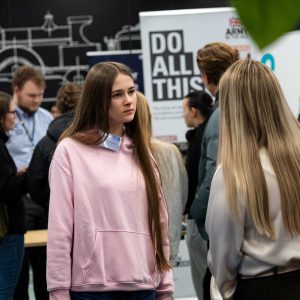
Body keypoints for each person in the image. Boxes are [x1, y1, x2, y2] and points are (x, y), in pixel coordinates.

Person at [47, 62, 174, 300]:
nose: (128, 100)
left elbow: (160, 224)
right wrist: (58, 291)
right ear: (99, 100)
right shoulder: (70, 151)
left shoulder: (142, 153)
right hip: (91, 290)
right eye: (117, 94)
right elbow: (60, 228)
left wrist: (165, 286)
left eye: (131, 91)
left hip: (142, 286)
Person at [206, 58, 300, 300]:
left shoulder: (232, 173)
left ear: (232, 108)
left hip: (260, 287)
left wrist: (225, 291)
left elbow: (222, 256)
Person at [189, 42, 240, 300]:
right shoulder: (239, 108)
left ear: (207, 77)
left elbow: (213, 174)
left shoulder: (221, 115)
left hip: (220, 224)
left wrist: (196, 214)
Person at [6, 65, 52, 300]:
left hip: (44, 199)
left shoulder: (47, 118)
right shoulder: (6, 118)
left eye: (40, 95)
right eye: (31, 95)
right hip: (17, 200)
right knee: (19, 268)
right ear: (17, 90)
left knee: (46, 265)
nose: (37, 100)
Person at [136, 91, 188, 261]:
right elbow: (182, 196)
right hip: (167, 246)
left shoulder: (117, 155)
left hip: (134, 252)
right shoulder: (171, 152)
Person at [27, 82, 82, 219]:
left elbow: (35, 185)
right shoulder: (100, 137)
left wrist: (50, 204)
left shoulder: (44, 144)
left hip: (56, 215)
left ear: (59, 107)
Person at [182, 90, 214, 300]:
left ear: (194, 111)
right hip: (202, 216)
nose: (183, 115)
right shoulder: (201, 135)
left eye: (184, 110)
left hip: (201, 218)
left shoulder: (204, 136)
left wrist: (194, 210)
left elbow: (206, 178)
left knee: (204, 278)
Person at [0, 91, 27, 299]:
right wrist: (26, 176)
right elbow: (6, 191)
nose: (14, 117)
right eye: (11, 113)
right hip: (7, 232)